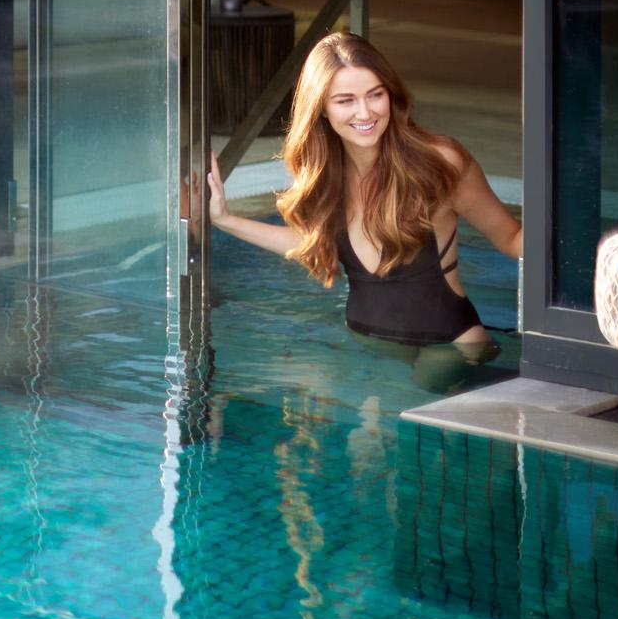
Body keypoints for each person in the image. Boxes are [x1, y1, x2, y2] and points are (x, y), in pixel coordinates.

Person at [205, 31, 523, 388]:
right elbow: (314, 242)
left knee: (411, 400)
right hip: (372, 347)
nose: (365, 112)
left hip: (450, 351)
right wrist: (225, 221)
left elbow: (512, 238)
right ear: (321, 108)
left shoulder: (439, 164)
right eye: (346, 100)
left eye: (375, 94)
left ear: (391, 94)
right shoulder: (326, 175)